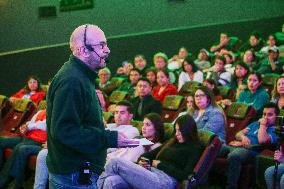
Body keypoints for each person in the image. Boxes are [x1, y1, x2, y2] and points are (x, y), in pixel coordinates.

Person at [46, 24, 132, 189]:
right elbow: (65, 131)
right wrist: (109, 138)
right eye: (101, 45)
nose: (107, 50)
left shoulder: (79, 76)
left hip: (75, 175)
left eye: (106, 44)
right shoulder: (72, 81)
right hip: (74, 178)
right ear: (83, 50)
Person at [97, 114, 203, 189]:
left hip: (164, 181)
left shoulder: (195, 147)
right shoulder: (171, 142)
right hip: (149, 174)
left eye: (180, 131)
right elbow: (146, 156)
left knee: (115, 162)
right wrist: (144, 162)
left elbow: (185, 175)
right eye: (176, 130)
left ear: (188, 130)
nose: (177, 134)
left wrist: (160, 165)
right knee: (111, 181)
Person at [220, 102, 279, 189]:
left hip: (251, 151)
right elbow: (238, 134)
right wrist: (243, 138)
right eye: (264, 114)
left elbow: (262, 140)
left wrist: (263, 125)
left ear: (276, 116)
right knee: (215, 148)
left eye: (269, 115)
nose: (265, 117)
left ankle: (231, 187)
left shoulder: (275, 130)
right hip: (236, 146)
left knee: (234, 156)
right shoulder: (255, 123)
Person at [0, 109, 47, 189]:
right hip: (27, 137)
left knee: (20, 148)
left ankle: (6, 181)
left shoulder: (57, 113)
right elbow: (30, 123)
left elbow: (44, 126)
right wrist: (25, 128)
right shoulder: (40, 112)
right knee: (1, 142)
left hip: (38, 141)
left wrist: (30, 126)